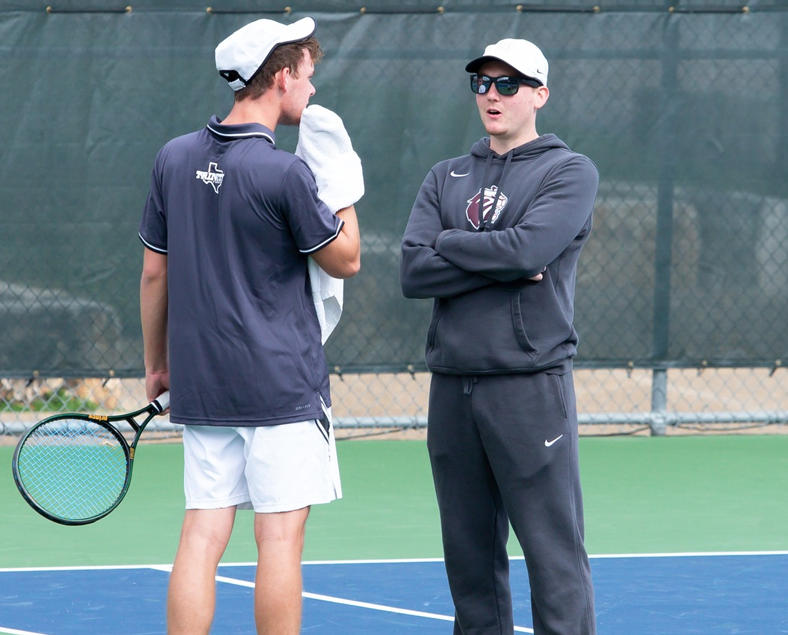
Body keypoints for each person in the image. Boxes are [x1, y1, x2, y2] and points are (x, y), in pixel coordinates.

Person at [137, 16, 362, 635]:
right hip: (282, 386)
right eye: (308, 77)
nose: (312, 91)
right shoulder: (284, 173)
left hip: (203, 384)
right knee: (280, 538)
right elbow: (347, 258)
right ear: (281, 77)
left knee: (203, 530)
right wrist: (340, 182)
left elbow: (155, 274)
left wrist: (158, 365)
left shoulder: (174, 158)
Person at [399, 38, 599, 635]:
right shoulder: (446, 175)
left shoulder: (569, 171)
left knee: (552, 553)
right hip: (454, 387)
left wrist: (451, 245)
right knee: (468, 560)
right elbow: (413, 271)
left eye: (507, 84)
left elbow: (531, 250)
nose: (492, 95)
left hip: (528, 387)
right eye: (482, 84)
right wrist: (496, 256)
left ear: (539, 94)